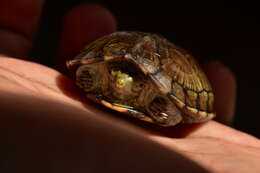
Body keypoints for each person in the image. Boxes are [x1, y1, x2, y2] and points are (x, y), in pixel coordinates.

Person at [0, 1, 259, 172]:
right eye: (114, 74)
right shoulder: (103, 74)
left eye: (129, 79)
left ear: (140, 85)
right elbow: (86, 69)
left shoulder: (154, 94)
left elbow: (175, 113)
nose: (119, 80)